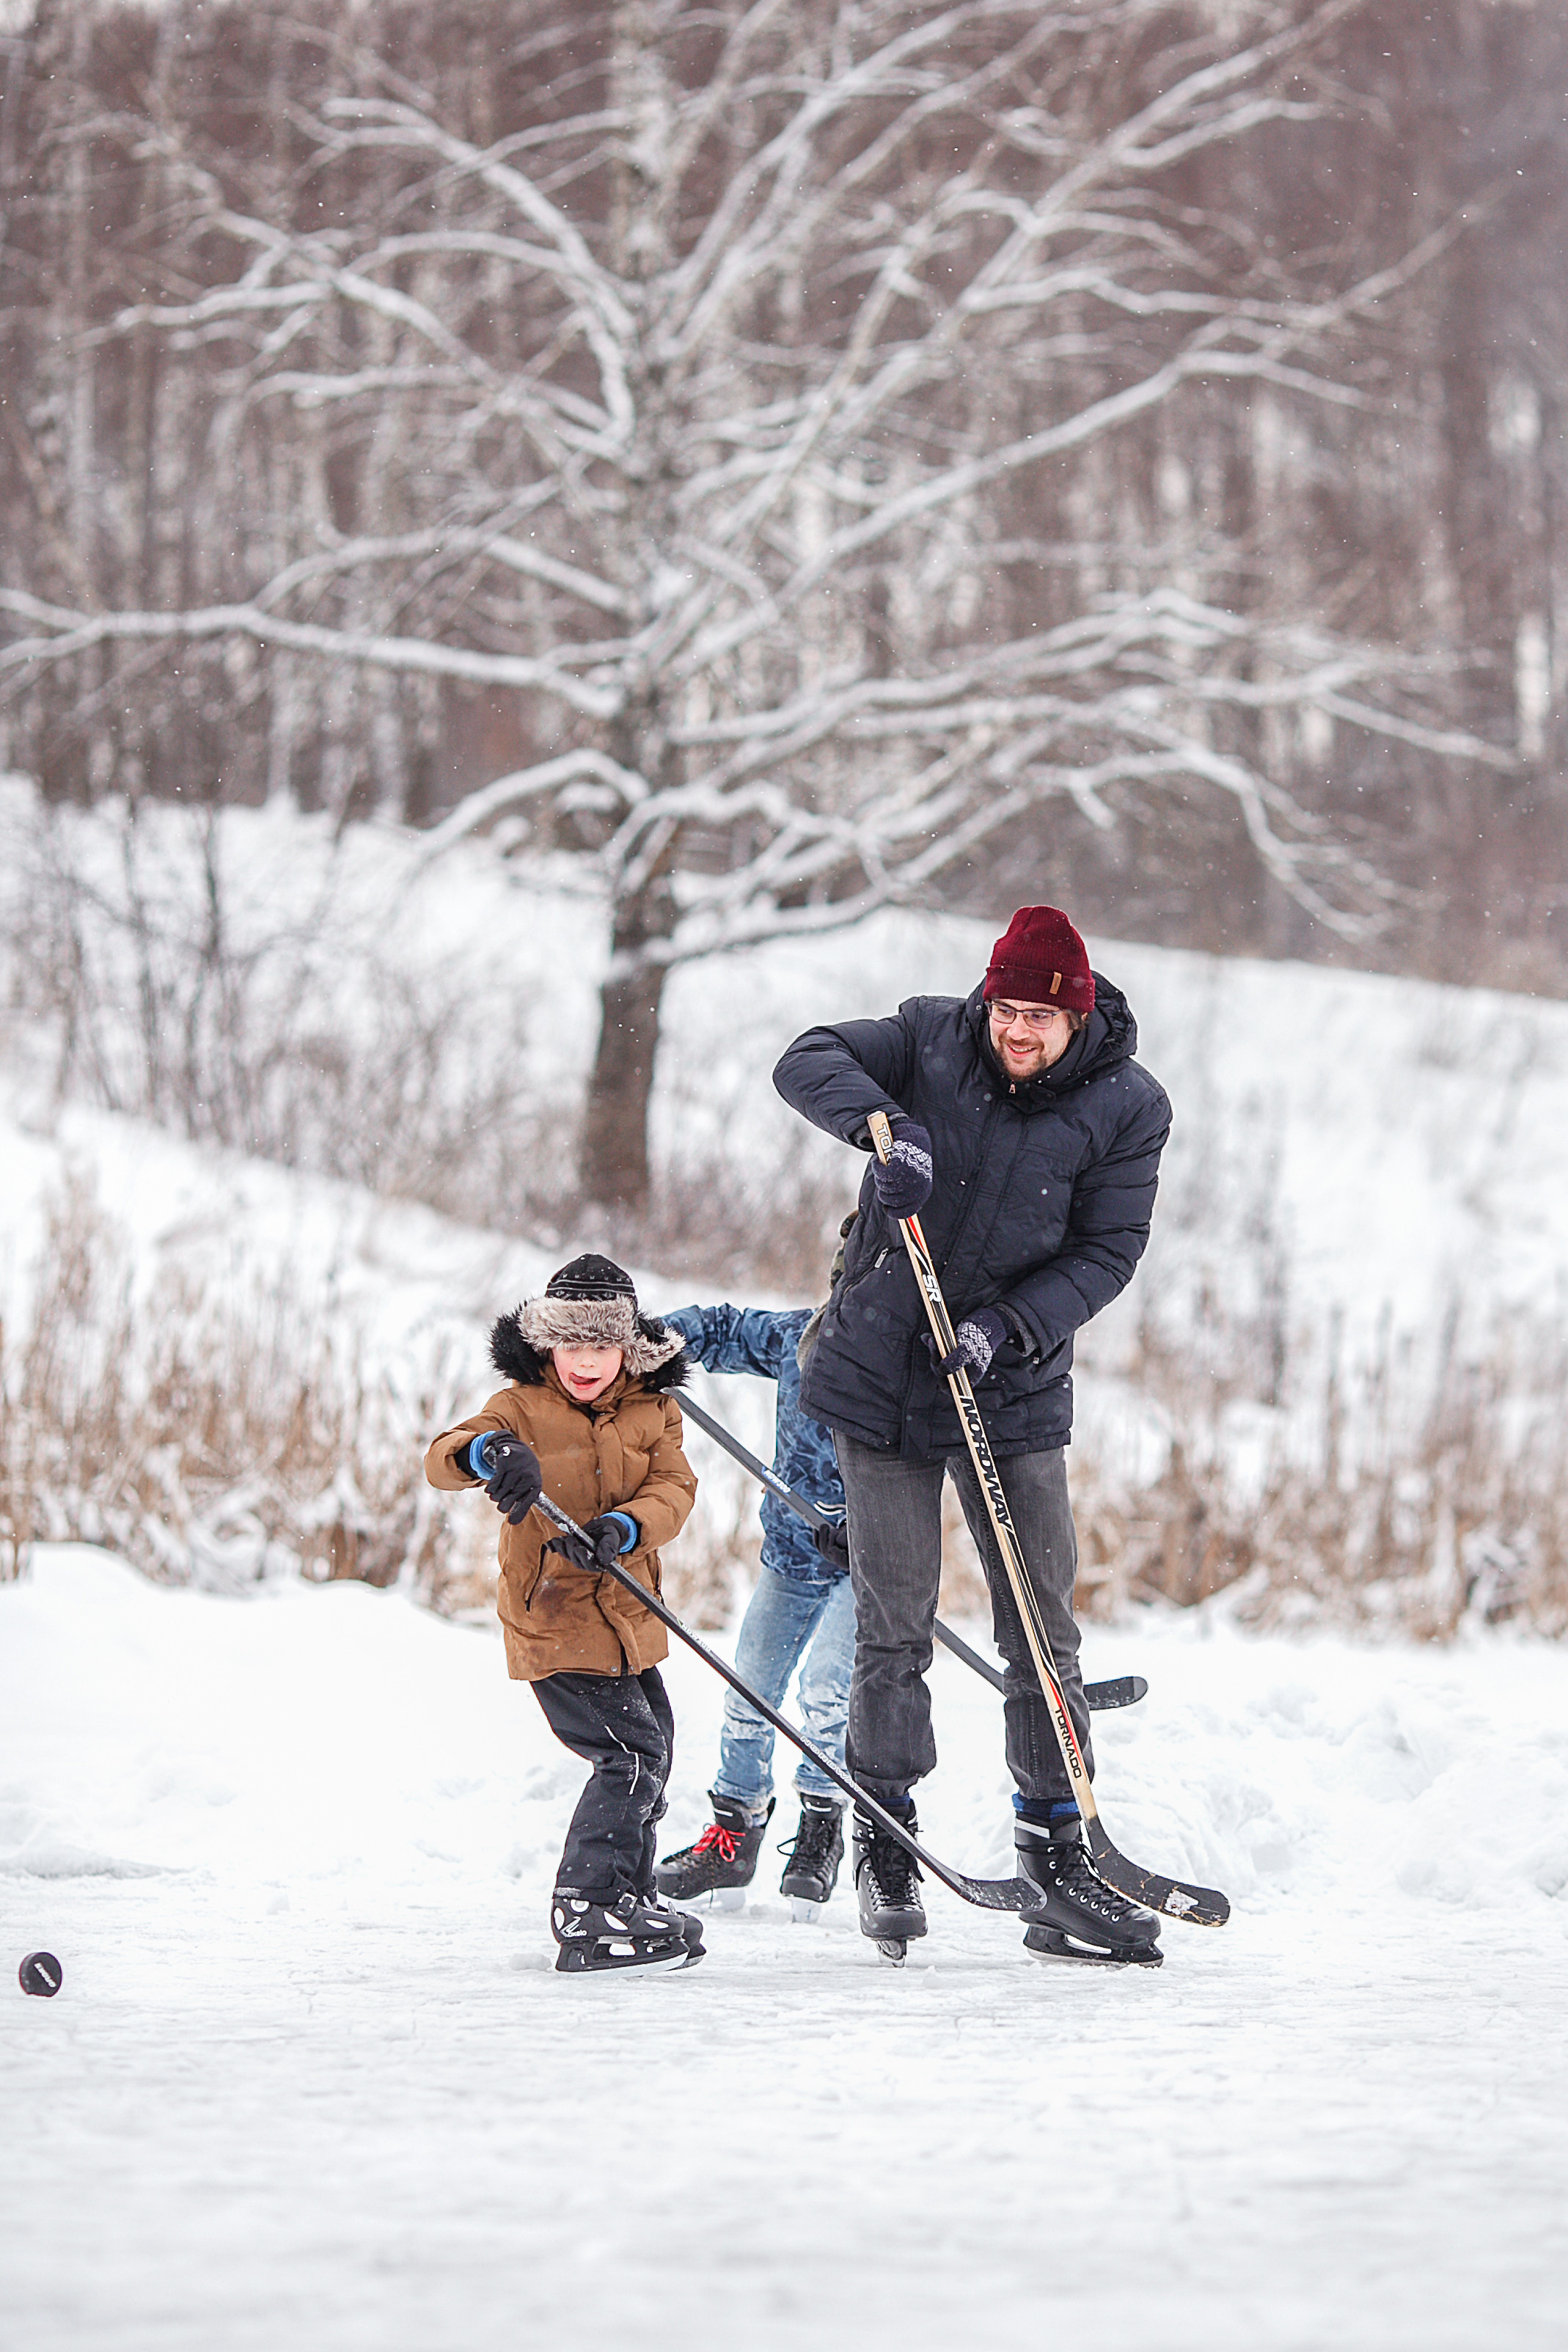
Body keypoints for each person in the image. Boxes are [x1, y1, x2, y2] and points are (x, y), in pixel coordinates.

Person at [772, 905, 1170, 1966]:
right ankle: (886, 1836)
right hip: (883, 1375)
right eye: (1006, 1007)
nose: (1016, 1031)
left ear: (1077, 1013)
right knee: (891, 1623)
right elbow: (803, 1057)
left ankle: (1056, 1850)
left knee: (1041, 1630)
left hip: (1011, 1385)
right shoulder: (928, 1034)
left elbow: (1109, 1249)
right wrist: (881, 1130)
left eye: (1039, 1014)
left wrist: (1009, 1324)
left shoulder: (1127, 1105)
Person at [423, 1254, 703, 1976]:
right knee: (629, 1755)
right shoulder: (519, 1407)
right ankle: (587, 1905)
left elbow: (674, 1486)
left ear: (627, 1348)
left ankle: (629, 1894)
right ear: (546, 1345)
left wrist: (627, 1528)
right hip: (553, 1615)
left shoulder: (652, 1407)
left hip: (629, 1616)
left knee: (653, 1751)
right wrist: (491, 1453)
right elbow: (442, 1457)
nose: (584, 1362)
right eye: (569, 1345)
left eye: (600, 1346)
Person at [651, 1301, 855, 1920]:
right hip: (791, 1555)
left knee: (828, 1692)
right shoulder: (801, 1337)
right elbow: (723, 1329)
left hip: (871, 1563)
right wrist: (656, 1339)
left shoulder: (908, 1351)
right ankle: (733, 1835)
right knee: (749, 1691)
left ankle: (820, 1831)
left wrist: (871, 1524)